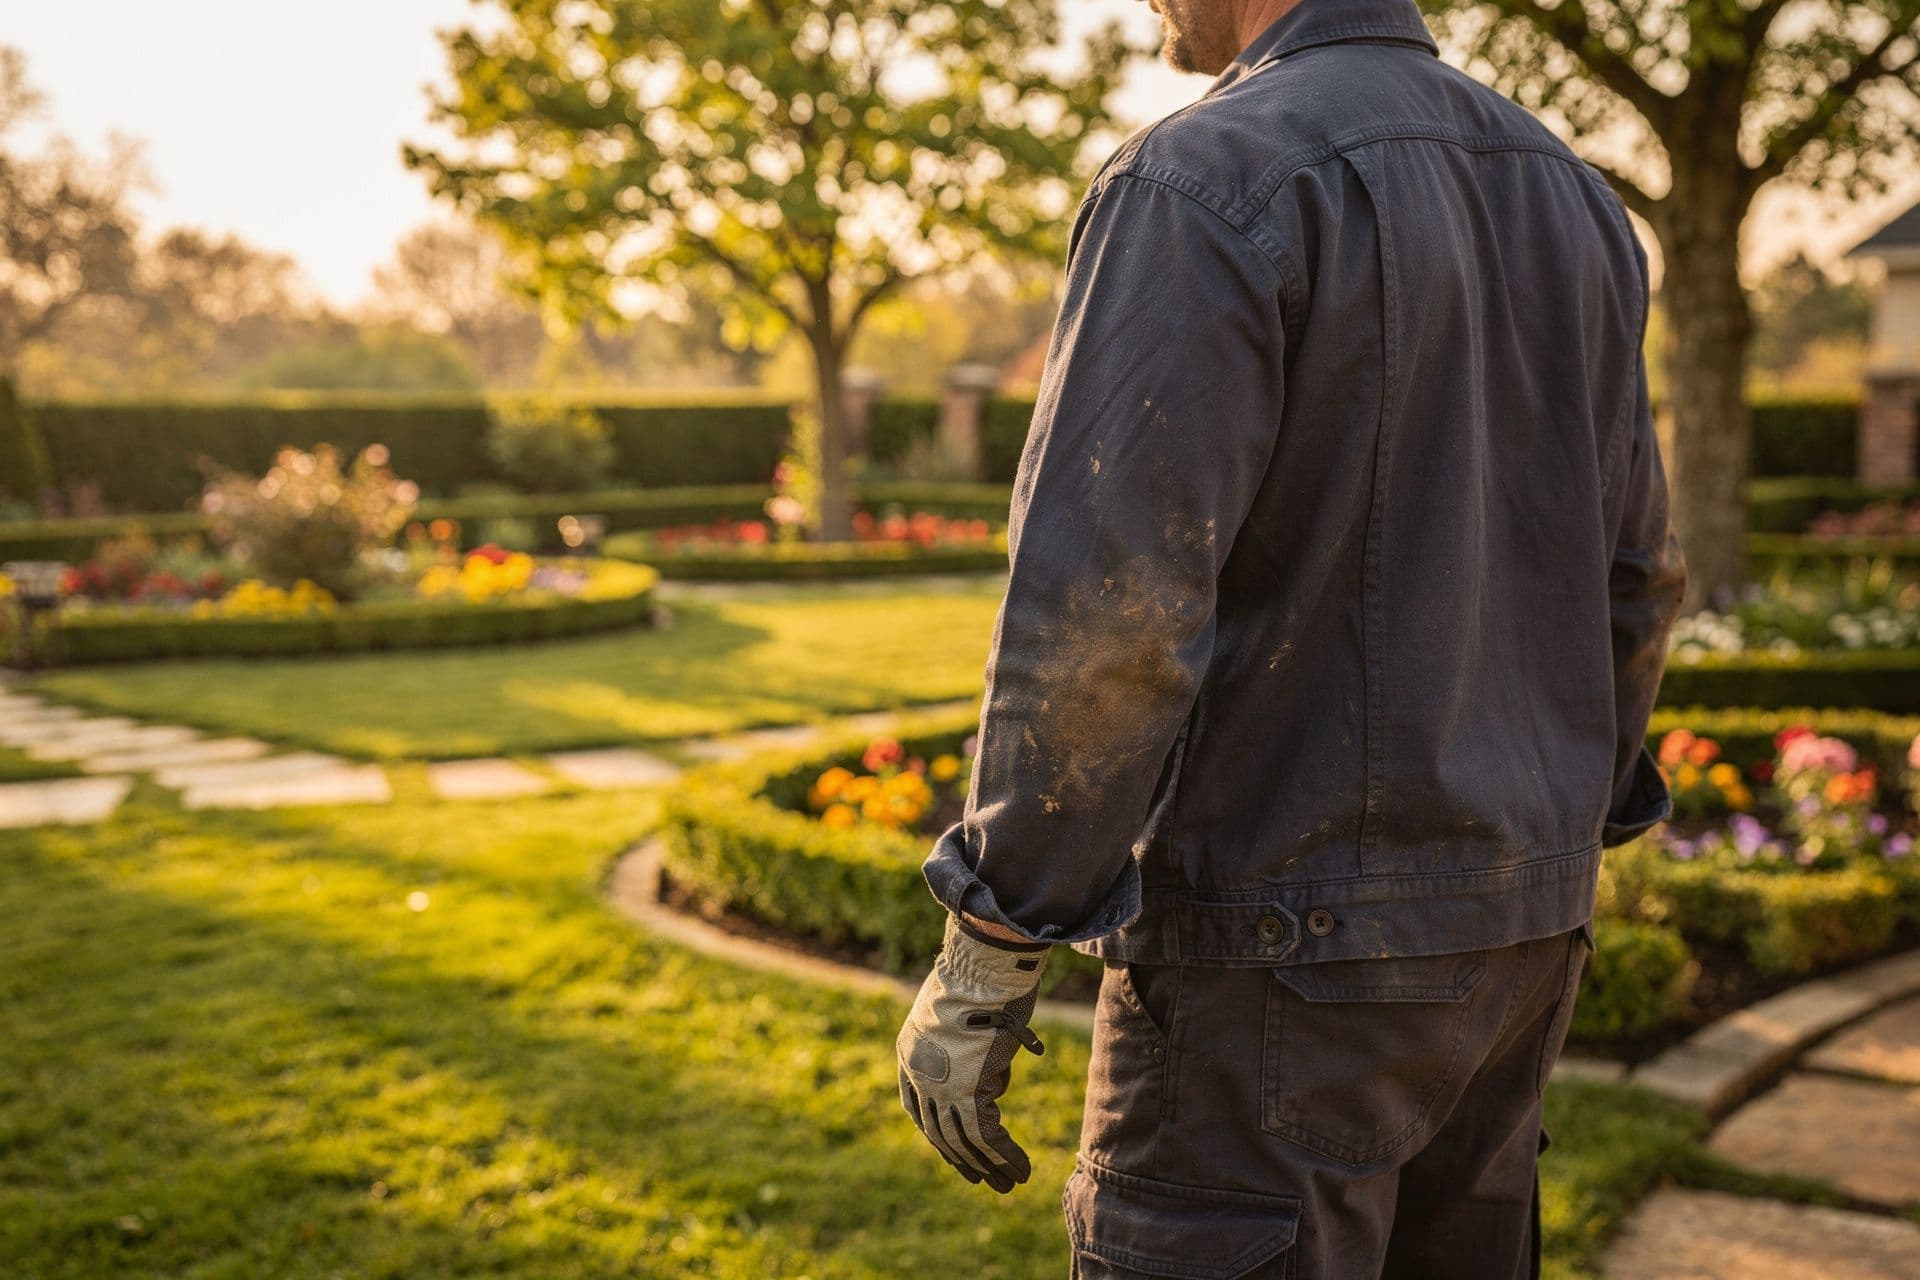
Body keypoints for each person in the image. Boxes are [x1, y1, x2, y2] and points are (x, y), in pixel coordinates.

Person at [894, 0, 1688, 1274]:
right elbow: (1640, 577)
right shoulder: (1573, 195)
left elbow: (1111, 623)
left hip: (1271, 964)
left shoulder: (1200, 177)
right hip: (1518, 942)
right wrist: (1537, 840)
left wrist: (993, 936)